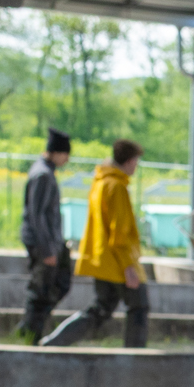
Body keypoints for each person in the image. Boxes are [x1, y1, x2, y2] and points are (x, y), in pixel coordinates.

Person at [43, 137, 146, 349]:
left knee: (100, 309)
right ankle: (137, 356)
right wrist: (129, 267)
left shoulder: (100, 182)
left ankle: (55, 342)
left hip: (102, 260)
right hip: (118, 263)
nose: (136, 166)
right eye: (136, 161)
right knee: (139, 306)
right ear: (128, 161)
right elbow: (120, 232)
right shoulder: (117, 187)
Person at [19, 126, 72, 341]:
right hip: (44, 244)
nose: (67, 159)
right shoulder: (43, 175)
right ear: (57, 152)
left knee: (54, 285)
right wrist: (47, 249)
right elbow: (37, 215)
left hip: (49, 243)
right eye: (66, 154)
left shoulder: (44, 172)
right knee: (41, 291)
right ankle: (29, 333)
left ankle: (31, 329)